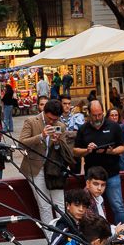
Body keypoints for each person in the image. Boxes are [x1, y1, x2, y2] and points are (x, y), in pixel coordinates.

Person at [18, 97, 75, 227]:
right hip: (35, 168)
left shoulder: (60, 126)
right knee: (44, 206)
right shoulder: (31, 121)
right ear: (44, 112)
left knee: (60, 204)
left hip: (54, 169)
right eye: (50, 118)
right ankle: (52, 241)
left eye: (55, 119)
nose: (52, 121)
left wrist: (57, 143)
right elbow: (21, 144)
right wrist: (41, 136)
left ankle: (63, 237)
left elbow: (65, 151)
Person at [72, 99, 124, 222]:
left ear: (103, 112)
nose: (97, 118)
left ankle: (123, 234)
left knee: (118, 206)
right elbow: (75, 151)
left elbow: (123, 147)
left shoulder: (113, 126)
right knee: (89, 207)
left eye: (100, 114)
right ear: (89, 114)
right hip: (92, 175)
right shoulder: (83, 129)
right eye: (94, 115)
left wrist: (112, 151)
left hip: (111, 173)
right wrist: (87, 150)